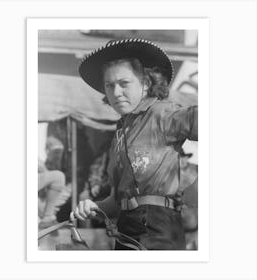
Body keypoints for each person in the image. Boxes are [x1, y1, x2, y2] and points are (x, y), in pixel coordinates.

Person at [70, 38, 198, 250]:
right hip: (125, 229)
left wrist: (199, 188)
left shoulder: (163, 113)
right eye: (109, 85)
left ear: (146, 84)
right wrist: (95, 207)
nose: (116, 92)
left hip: (159, 228)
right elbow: (116, 201)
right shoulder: (120, 134)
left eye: (124, 83)